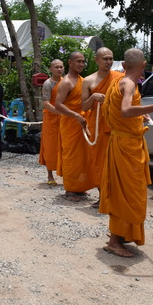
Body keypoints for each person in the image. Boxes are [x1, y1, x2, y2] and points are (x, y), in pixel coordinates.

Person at [100, 49, 153, 256]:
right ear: (143, 65)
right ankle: (114, 241)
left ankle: (120, 234)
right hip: (126, 146)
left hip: (124, 143)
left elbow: (122, 111)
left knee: (126, 191)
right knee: (127, 193)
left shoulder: (119, 82)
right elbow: (126, 110)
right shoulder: (128, 84)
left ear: (123, 65)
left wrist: (140, 116)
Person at [82, 47, 124, 207]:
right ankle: (102, 197)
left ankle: (115, 197)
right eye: (105, 59)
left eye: (111, 58)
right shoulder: (88, 80)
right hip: (98, 125)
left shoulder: (120, 78)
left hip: (116, 124)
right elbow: (84, 106)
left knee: (116, 161)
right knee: (99, 161)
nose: (108, 62)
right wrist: (93, 97)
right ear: (96, 60)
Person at [55, 52, 94, 202]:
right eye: (78, 61)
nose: (81, 64)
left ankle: (80, 187)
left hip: (83, 123)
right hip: (71, 123)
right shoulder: (66, 82)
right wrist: (76, 116)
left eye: (83, 62)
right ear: (70, 62)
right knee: (71, 156)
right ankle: (70, 189)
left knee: (83, 156)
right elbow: (58, 105)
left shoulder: (83, 81)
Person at [39, 59, 65, 186]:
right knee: (50, 147)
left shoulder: (66, 82)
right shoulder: (48, 84)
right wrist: (59, 111)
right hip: (51, 119)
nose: (59, 69)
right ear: (51, 69)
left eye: (61, 67)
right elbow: (45, 103)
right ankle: (50, 175)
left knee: (65, 147)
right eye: (56, 67)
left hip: (64, 119)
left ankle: (66, 174)